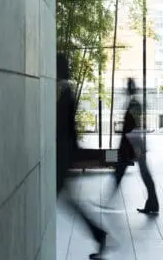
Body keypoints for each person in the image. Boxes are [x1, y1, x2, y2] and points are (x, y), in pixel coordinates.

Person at [56, 54, 108, 260]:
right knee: (67, 201)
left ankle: (99, 234)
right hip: (64, 152)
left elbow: (65, 126)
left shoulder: (66, 92)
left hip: (63, 153)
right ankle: (98, 234)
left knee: (64, 200)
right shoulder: (65, 90)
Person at [108, 78, 159, 214]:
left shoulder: (134, 104)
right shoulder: (133, 103)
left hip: (133, 145)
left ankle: (153, 203)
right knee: (133, 172)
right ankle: (152, 203)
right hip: (132, 145)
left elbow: (135, 127)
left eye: (128, 86)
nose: (127, 88)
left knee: (142, 174)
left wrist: (135, 148)